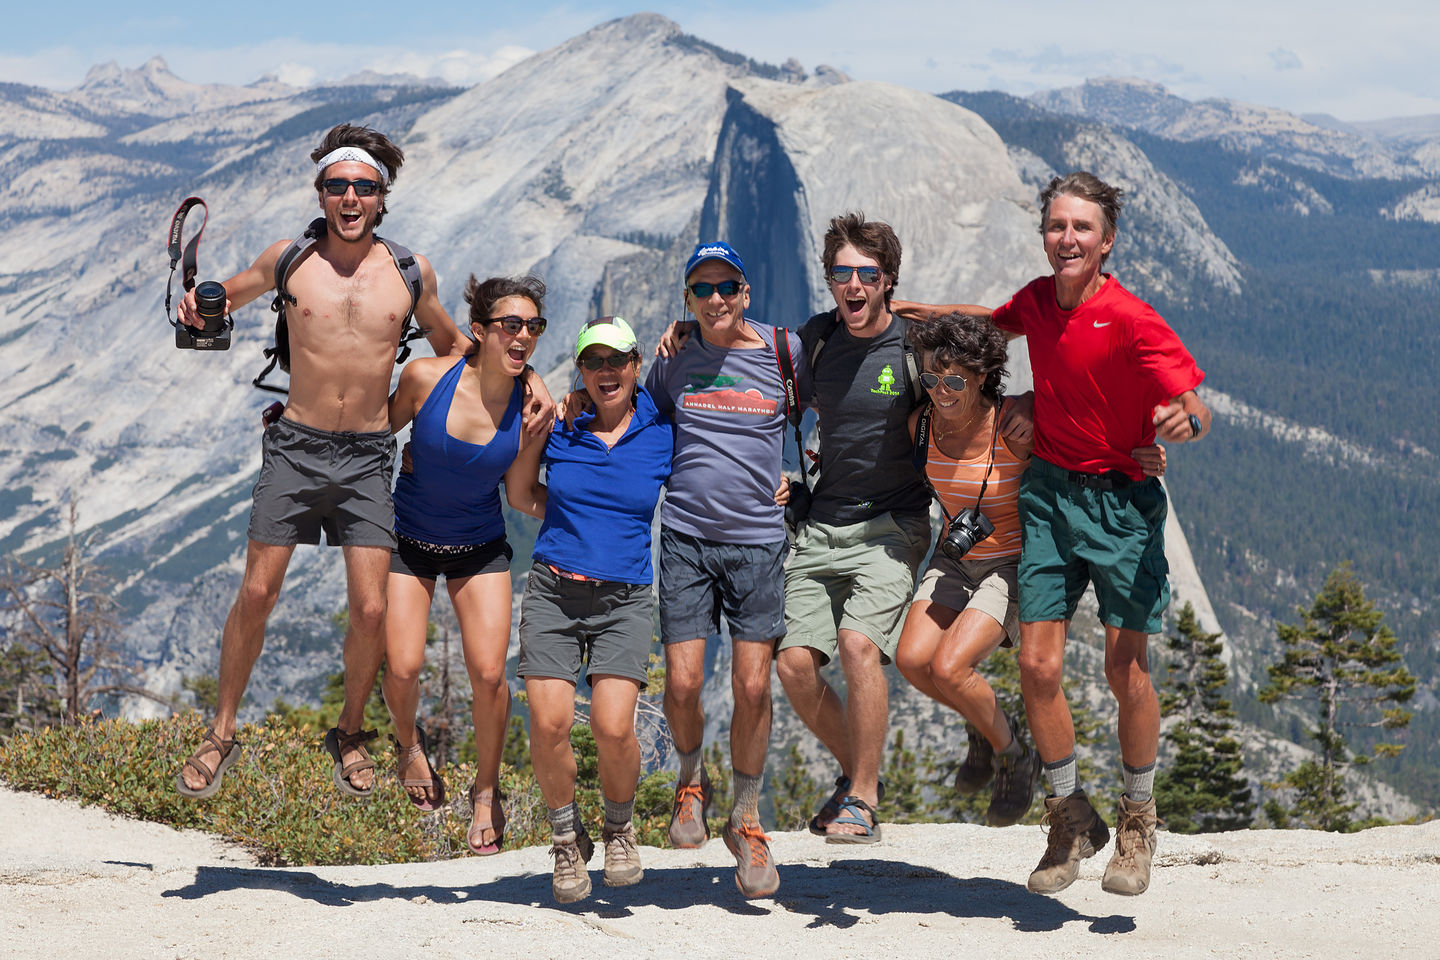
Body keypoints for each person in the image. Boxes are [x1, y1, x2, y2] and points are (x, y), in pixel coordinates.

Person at [896, 170, 1207, 897]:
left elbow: (1194, 403)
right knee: (1036, 667)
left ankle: (1136, 820)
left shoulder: (1132, 317)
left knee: (1124, 671)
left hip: (1123, 506)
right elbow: (984, 325)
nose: (1067, 238)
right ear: (1045, 234)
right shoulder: (1038, 299)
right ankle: (1066, 814)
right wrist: (910, 311)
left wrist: (1178, 425)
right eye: (1057, 226)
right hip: (1048, 501)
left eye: (1082, 228)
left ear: (1107, 240)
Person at [174, 123, 475, 799]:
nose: (349, 198)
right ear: (320, 192)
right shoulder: (289, 260)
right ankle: (221, 732)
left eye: (363, 188)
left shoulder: (409, 272)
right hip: (297, 447)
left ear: (381, 197)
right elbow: (222, 299)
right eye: (337, 186)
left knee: (370, 611)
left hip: (370, 455)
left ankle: (348, 733)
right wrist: (199, 307)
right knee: (256, 593)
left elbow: (454, 347)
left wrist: (515, 382)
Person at [649, 241, 807, 898]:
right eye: (702, 289)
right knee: (683, 685)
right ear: (688, 298)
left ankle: (746, 819)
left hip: (758, 544)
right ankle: (692, 783)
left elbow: (845, 404)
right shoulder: (672, 359)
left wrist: (808, 479)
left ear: (746, 292)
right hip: (686, 537)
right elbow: (632, 415)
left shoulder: (783, 351)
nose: (716, 299)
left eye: (727, 287)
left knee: (753, 688)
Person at [772, 213, 934, 844]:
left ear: (889, 280)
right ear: (830, 280)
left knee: (859, 645)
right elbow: (758, 364)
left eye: (869, 273)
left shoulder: (916, 345)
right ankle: (853, 774)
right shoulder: (816, 341)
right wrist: (684, 333)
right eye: (843, 272)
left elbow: (992, 350)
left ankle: (864, 797)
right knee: (792, 665)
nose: (855, 284)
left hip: (892, 526)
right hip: (820, 526)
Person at [507, 316, 674, 903]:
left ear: (635, 366)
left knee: (611, 725)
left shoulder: (660, 427)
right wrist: (574, 519)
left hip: (625, 597)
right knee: (548, 723)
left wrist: (780, 484)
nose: (606, 372)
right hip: (555, 589)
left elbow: (714, 467)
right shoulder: (559, 427)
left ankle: (619, 828)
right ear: (580, 369)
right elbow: (523, 494)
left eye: (617, 360)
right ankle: (564, 838)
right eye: (592, 362)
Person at [381, 274, 549, 855]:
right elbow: (375, 429)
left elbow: (523, 491)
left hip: (480, 546)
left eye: (533, 326)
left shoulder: (532, 405)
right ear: (480, 330)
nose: (523, 335)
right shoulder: (427, 378)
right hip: (408, 540)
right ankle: (408, 745)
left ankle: (486, 789)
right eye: (511, 324)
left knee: (489, 675)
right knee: (401, 670)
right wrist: (302, 428)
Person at [893, 313, 1041, 827]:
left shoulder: (1012, 428)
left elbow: (1075, 446)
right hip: (955, 557)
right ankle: (983, 723)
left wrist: (1142, 454)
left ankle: (1015, 754)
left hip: (1009, 563)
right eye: (932, 378)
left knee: (950, 668)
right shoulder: (921, 427)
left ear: (982, 376)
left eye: (955, 379)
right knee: (912, 660)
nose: (941, 390)